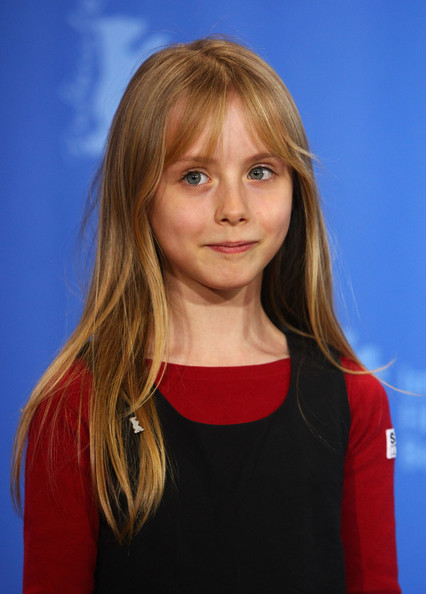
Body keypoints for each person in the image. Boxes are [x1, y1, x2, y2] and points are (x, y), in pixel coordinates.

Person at [12, 37, 401, 593]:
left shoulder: (353, 397)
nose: (234, 209)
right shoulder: (77, 406)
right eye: (195, 176)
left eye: (261, 171)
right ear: (138, 195)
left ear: (296, 187)